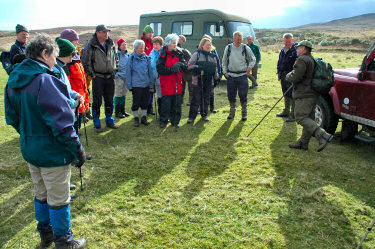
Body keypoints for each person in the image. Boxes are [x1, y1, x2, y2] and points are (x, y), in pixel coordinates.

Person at [4, 33, 86, 249]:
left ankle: (46, 235)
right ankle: (64, 241)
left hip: (31, 149)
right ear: (44, 53)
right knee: (59, 198)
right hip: (53, 153)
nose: (54, 62)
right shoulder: (45, 80)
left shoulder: (13, 80)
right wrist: (77, 149)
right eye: (54, 56)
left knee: (40, 194)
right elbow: (62, 125)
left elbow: (12, 118)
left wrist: (30, 135)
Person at [286, 40, 333, 152]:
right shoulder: (312, 59)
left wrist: (288, 76)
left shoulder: (302, 59)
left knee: (300, 117)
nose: (296, 50)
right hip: (313, 93)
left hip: (304, 94)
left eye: (298, 48)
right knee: (309, 117)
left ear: (304, 48)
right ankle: (303, 143)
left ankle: (322, 135)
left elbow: (295, 76)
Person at [85, 24, 119, 133]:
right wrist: (92, 74)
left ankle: (109, 119)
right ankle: (96, 122)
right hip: (98, 77)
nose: (106, 34)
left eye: (107, 32)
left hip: (110, 77)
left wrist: (115, 70)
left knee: (109, 100)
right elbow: (86, 61)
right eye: (104, 32)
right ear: (98, 33)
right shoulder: (91, 45)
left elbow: (116, 58)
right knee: (97, 101)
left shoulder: (111, 43)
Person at [59, 29, 90, 131]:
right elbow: (65, 85)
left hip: (79, 97)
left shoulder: (76, 56)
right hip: (72, 101)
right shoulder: (65, 61)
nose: (77, 42)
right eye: (74, 40)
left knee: (77, 124)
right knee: (73, 125)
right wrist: (74, 100)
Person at [222, 31, 256, 121]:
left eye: (240, 40)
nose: (239, 41)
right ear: (233, 39)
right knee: (231, 95)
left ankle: (244, 113)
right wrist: (225, 72)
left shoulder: (245, 48)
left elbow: (253, 59)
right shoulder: (228, 48)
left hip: (242, 76)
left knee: (243, 95)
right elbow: (224, 61)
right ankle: (232, 112)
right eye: (237, 40)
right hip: (231, 76)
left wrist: (249, 67)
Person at [156, 33, 187, 129]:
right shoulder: (163, 54)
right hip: (166, 83)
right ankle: (163, 121)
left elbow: (186, 66)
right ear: (168, 43)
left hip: (177, 83)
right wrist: (171, 70)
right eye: (173, 43)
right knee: (166, 104)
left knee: (177, 104)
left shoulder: (179, 53)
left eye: (176, 43)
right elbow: (159, 68)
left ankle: (175, 121)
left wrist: (180, 65)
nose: (175, 45)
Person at [187, 37, 219, 123]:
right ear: (202, 45)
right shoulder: (196, 54)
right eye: (207, 45)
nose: (209, 46)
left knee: (206, 98)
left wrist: (216, 78)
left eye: (210, 45)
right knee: (196, 99)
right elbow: (189, 65)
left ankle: (204, 114)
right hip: (198, 80)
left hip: (208, 80)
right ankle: (191, 117)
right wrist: (197, 67)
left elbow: (215, 68)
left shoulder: (213, 56)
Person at [126, 40, 154, 127]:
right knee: (136, 102)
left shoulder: (146, 58)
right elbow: (128, 73)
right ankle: (136, 118)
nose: (142, 50)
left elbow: (150, 72)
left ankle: (143, 117)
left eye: (143, 48)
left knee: (145, 102)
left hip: (146, 85)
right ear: (135, 48)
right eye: (140, 48)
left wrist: (151, 85)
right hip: (136, 85)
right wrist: (129, 85)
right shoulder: (131, 58)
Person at [277, 33, 298, 122]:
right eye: (285, 42)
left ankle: (293, 115)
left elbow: (297, 65)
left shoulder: (295, 51)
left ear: (292, 41)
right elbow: (279, 62)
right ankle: (286, 111)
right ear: (283, 41)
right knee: (285, 93)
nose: (287, 44)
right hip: (283, 75)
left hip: (291, 76)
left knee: (292, 95)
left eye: (289, 42)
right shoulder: (282, 50)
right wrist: (279, 73)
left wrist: (294, 76)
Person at [141, 25, 155, 115]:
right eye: (149, 32)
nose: (150, 34)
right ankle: (144, 107)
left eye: (151, 32)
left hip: (152, 68)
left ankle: (150, 107)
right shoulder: (142, 42)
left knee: (152, 90)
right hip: (144, 69)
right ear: (145, 33)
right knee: (145, 90)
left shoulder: (153, 42)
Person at [114, 38, 130, 118]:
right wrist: (116, 75)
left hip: (126, 77)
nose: (124, 46)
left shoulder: (127, 54)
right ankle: (117, 112)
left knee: (124, 93)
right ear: (119, 46)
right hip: (119, 77)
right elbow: (113, 66)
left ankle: (122, 110)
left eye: (125, 44)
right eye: (122, 44)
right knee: (118, 94)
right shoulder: (117, 55)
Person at [149, 36, 164, 117]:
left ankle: (164, 113)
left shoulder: (163, 52)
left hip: (163, 78)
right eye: (154, 44)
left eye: (157, 44)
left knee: (164, 96)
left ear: (161, 45)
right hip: (155, 79)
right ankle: (161, 113)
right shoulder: (152, 53)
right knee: (159, 96)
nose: (155, 46)